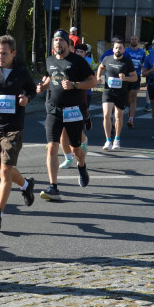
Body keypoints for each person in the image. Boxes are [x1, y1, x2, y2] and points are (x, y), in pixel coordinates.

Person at [0, 35, 37, 229]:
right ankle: (26, 185)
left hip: (13, 129)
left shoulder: (22, 73)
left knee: (5, 171)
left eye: (4, 53)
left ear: (13, 53)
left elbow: (32, 90)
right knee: (7, 169)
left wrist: (26, 99)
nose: (0, 57)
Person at [36, 30, 96, 201]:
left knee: (76, 149)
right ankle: (53, 187)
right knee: (52, 147)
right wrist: (42, 87)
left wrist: (74, 85)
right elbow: (50, 78)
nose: (58, 43)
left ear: (68, 44)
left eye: (61, 40)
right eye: (55, 40)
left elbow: (92, 81)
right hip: (53, 110)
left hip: (73, 111)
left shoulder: (78, 61)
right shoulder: (50, 60)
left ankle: (81, 165)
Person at [98, 38, 138, 150]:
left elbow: (135, 78)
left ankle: (117, 139)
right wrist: (98, 77)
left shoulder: (127, 62)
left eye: (120, 48)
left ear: (123, 50)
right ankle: (108, 141)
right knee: (106, 115)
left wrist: (126, 78)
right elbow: (100, 67)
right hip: (108, 91)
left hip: (121, 93)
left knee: (118, 116)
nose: (118, 50)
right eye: (116, 47)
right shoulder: (107, 59)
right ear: (113, 49)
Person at [123, 35, 146, 129]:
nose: (133, 41)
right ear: (130, 41)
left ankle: (131, 119)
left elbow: (144, 62)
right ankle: (129, 108)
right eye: (132, 39)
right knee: (127, 100)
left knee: (133, 98)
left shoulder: (142, 52)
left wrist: (143, 67)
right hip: (126, 77)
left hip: (136, 77)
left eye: (135, 39)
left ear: (138, 41)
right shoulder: (126, 51)